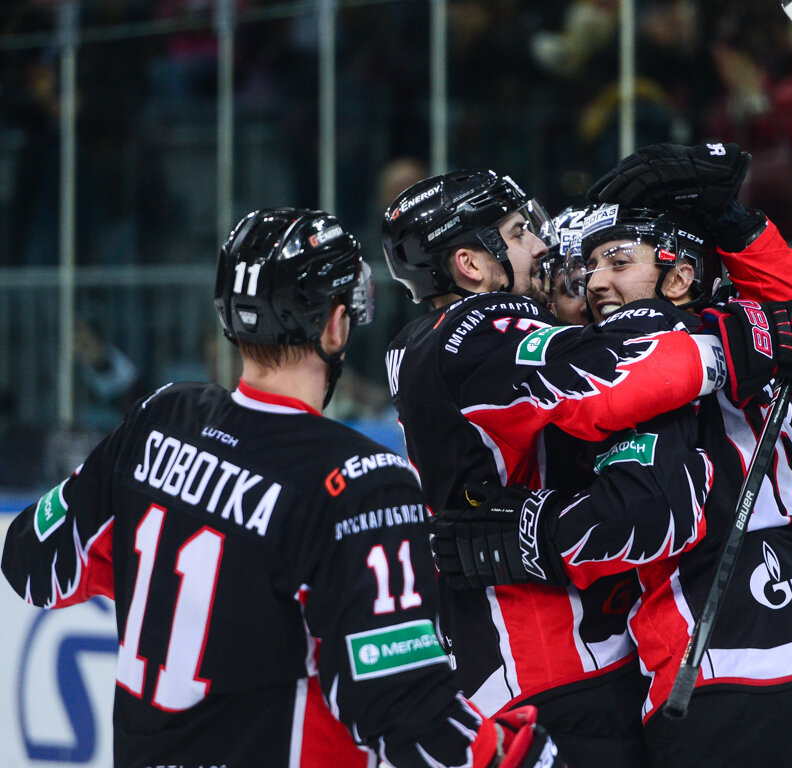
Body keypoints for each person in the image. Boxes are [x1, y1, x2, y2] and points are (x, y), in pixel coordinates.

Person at [1, 207, 562, 768]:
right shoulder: (362, 482)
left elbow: (28, 556)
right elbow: (404, 709)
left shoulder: (159, 417)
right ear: (337, 325)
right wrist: (517, 754)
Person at [380, 154, 792, 766]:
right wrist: (741, 343)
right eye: (518, 234)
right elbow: (606, 379)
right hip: (554, 680)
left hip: (581, 671)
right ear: (470, 264)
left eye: (613, 264)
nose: (542, 247)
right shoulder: (473, 331)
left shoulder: (479, 337)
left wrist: (736, 228)